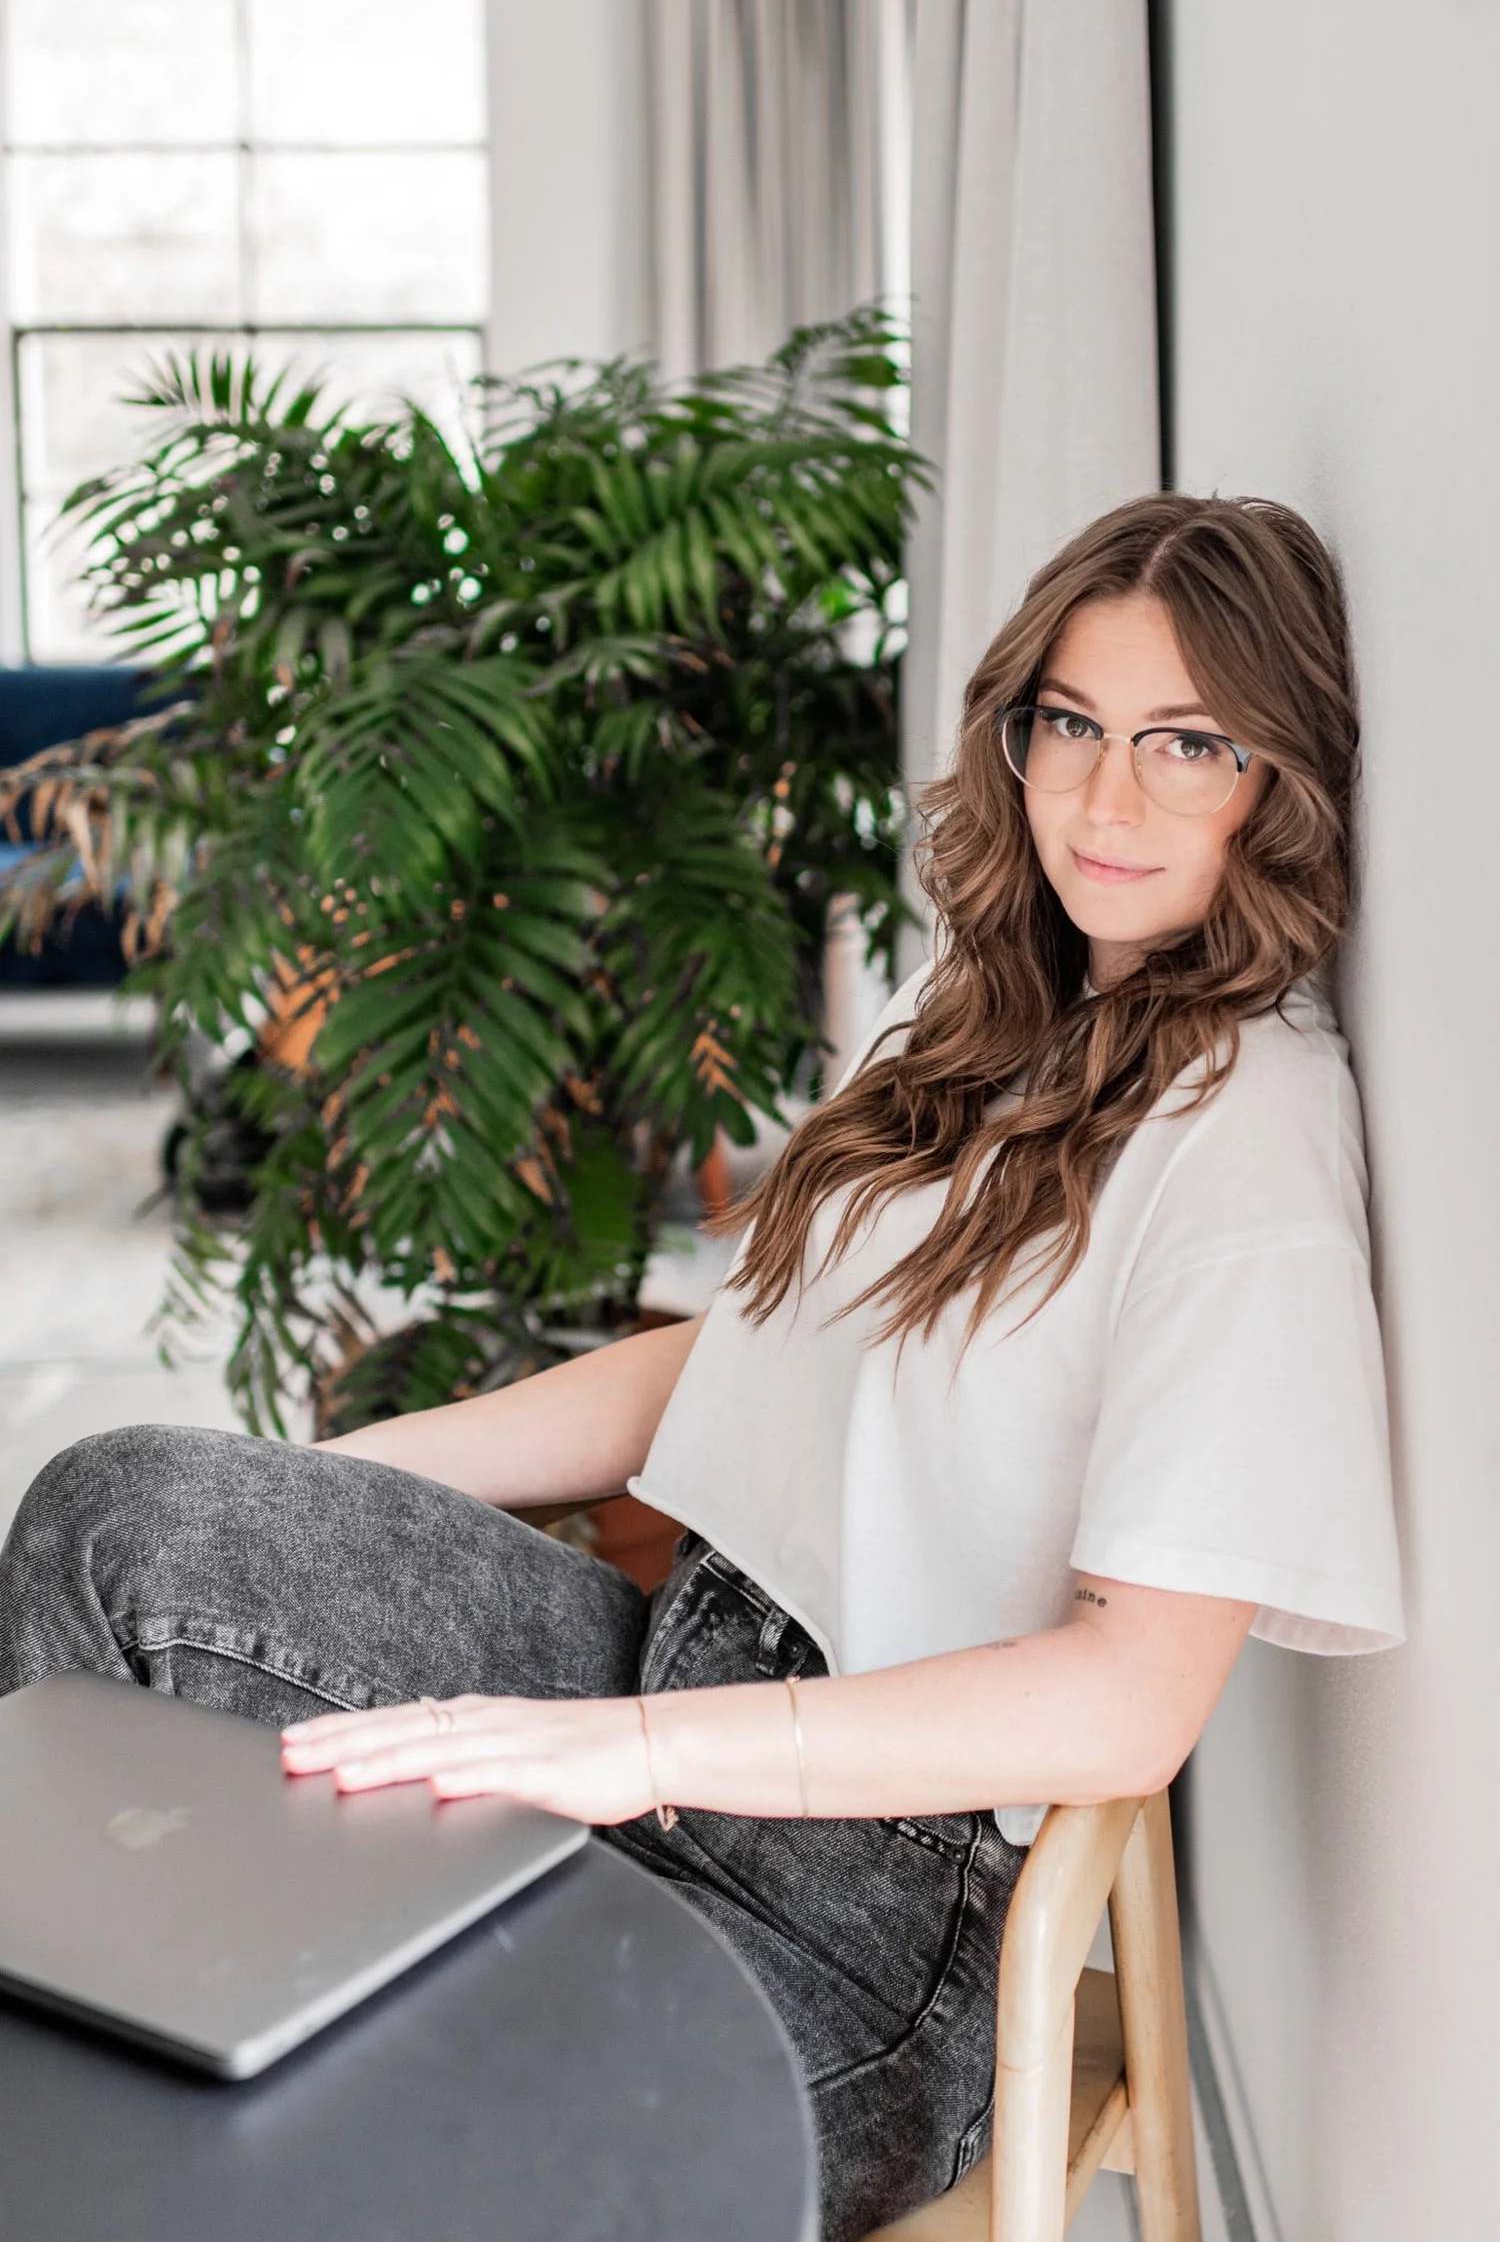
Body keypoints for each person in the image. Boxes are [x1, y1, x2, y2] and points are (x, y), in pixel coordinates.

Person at [0, 493, 1403, 2240]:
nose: (1108, 797)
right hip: (680, 1651)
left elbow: (1132, 1696)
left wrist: (639, 1752)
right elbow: (717, 1371)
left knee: (404, 2168)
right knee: (118, 1504)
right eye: (1074, 723)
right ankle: (116, 2095)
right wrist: (336, 1486)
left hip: (877, 1900)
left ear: (1281, 780)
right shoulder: (968, 1019)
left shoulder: (1249, 1132)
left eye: (1189, 744)